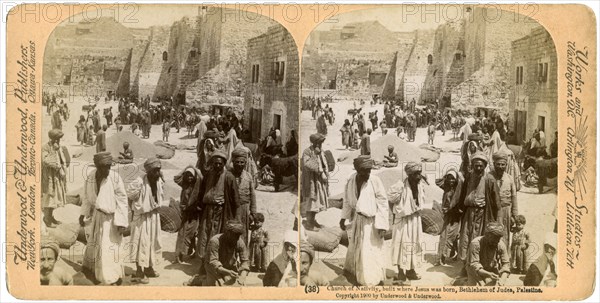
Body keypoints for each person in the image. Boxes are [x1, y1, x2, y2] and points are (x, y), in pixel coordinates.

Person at [79, 152, 129, 285]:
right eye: (103, 167)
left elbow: (122, 200)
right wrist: (82, 213)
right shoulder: (90, 177)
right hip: (97, 217)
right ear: (96, 166)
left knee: (109, 248)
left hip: (111, 220)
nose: (106, 170)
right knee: (96, 245)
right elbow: (86, 197)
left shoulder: (115, 178)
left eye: (109, 166)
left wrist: (122, 221)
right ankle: (95, 271)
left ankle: (111, 276)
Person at [340, 156, 390, 286]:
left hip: (371, 223)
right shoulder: (351, 180)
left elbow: (383, 202)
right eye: (364, 171)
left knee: (370, 251)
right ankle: (356, 273)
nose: (368, 174)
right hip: (358, 220)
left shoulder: (375, 181)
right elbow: (346, 199)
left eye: (369, 170)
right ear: (357, 170)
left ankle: (371, 279)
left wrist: (382, 225)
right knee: (357, 248)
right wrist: (343, 217)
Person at [456, 151, 501, 276]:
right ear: (472, 165)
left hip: (483, 214)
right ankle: (465, 267)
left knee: (479, 240)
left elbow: (497, 201)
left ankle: (478, 268)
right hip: (469, 213)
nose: (479, 168)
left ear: (485, 166)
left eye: (481, 166)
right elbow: (462, 193)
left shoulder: (490, 179)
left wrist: (497, 219)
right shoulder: (469, 177)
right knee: (465, 239)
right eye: (476, 165)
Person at [196, 150, 240, 272]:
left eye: (220, 164)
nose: (217, 166)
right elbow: (201, 192)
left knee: (217, 238)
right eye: (215, 163)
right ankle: (204, 264)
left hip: (221, 212)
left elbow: (236, 199)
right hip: (207, 211)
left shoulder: (229, 177)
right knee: (204, 237)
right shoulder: (208, 175)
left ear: (224, 164)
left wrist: (235, 217)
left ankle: (216, 265)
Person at [388, 162, 426, 282]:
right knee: (401, 245)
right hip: (402, 221)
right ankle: (400, 272)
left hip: (415, 219)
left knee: (414, 244)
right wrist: (393, 215)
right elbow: (390, 200)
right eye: (416, 174)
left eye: (420, 173)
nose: (419, 176)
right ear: (409, 175)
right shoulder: (399, 186)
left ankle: (410, 270)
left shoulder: (420, 185)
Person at [204, 220, 250, 286]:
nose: (237, 238)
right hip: (213, 268)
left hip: (229, 267)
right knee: (218, 285)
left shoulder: (239, 242)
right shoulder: (215, 241)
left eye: (238, 236)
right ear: (227, 233)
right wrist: (227, 272)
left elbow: (245, 262)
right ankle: (199, 279)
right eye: (235, 235)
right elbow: (214, 262)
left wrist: (242, 277)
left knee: (236, 285)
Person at [299, 133, 329, 231]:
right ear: (315, 143)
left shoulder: (321, 151)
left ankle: (313, 220)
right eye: (319, 143)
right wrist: (315, 155)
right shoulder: (307, 152)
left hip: (319, 181)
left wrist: (325, 172)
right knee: (310, 202)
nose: (320, 145)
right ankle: (309, 223)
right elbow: (307, 165)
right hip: (310, 181)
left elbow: (324, 163)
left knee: (317, 202)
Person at [466, 222, 510, 286]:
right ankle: (462, 281)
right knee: (477, 287)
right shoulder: (475, 243)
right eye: (494, 238)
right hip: (475, 271)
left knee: (494, 287)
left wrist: (502, 279)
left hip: (491, 270)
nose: (497, 241)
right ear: (487, 236)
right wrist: (488, 274)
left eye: (498, 238)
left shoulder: (500, 244)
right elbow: (474, 265)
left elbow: (506, 264)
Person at [174, 166, 203, 264]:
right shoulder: (184, 185)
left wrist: (195, 169)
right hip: (186, 213)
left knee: (193, 232)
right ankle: (179, 255)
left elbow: (202, 178)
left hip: (195, 213)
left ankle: (192, 252)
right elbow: (176, 177)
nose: (189, 178)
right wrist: (187, 167)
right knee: (183, 233)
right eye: (187, 176)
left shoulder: (197, 186)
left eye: (191, 176)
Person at [42, 129, 70, 227]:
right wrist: (53, 151)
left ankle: (51, 216)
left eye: (59, 139)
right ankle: (46, 219)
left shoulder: (59, 147)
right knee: (49, 198)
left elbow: (62, 159)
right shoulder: (46, 147)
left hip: (57, 176)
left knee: (55, 198)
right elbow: (45, 161)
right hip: (49, 177)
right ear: (53, 138)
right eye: (57, 139)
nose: (58, 141)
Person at [436, 168, 463, 265]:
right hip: (447, 216)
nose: (451, 181)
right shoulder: (446, 187)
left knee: (453, 235)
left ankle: (454, 254)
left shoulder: (459, 189)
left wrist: (459, 177)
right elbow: (437, 181)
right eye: (449, 178)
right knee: (444, 236)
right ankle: (441, 257)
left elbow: (459, 205)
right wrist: (447, 174)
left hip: (455, 216)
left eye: (453, 179)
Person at [491, 151, 518, 249]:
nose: (500, 167)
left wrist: (515, 215)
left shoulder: (510, 179)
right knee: (492, 233)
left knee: (505, 234)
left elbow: (514, 197)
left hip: (506, 211)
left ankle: (504, 259)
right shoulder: (489, 177)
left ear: (506, 165)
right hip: (492, 211)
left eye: (503, 164)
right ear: (494, 164)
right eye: (498, 164)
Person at [230, 147, 257, 244]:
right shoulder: (228, 175)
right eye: (237, 162)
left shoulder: (248, 176)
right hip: (231, 209)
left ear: (245, 163)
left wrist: (253, 213)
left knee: (243, 234)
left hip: (245, 209)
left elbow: (252, 195)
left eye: (242, 162)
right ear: (233, 162)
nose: (240, 164)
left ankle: (242, 256)